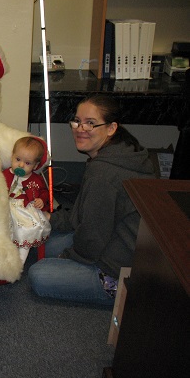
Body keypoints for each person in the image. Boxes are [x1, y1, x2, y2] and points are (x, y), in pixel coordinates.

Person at [28, 94, 155, 306]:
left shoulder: (104, 174)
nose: (80, 128)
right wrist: (50, 218)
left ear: (112, 128)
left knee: (39, 274)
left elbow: (92, 237)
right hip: (116, 241)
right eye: (77, 121)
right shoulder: (120, 153)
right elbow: (84, 215)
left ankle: (115, 292)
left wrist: (67, 256)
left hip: (117, 268)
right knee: (42, 242)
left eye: (90, 123)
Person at [3, 136, 51, 264]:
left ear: (35, 165)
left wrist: (41, 199)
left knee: (28, 229)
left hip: (25, 209)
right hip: (6, 205)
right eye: (18, 159)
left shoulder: (36, 179)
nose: (21, 165)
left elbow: (44, 192)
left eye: (27, 163)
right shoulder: (5, 174)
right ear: (12, 156)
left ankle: (19, 261)